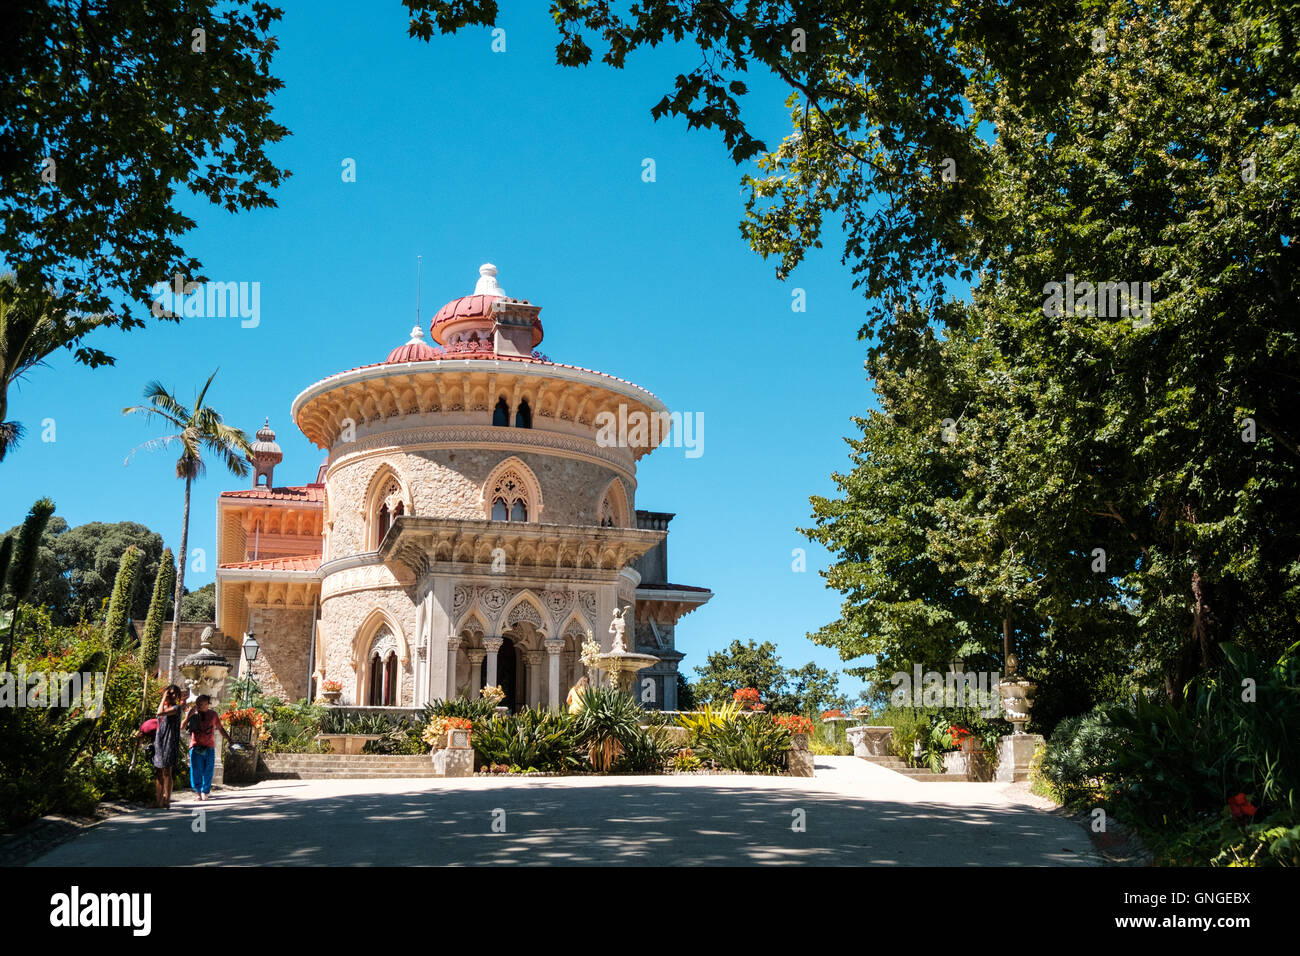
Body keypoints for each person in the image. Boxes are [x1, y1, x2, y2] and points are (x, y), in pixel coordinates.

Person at [182, 695, 231, 801]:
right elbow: (182, 726)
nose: (202, 706)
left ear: (208, 704)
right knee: (196, 771)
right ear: (197, 704)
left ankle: (205, 792)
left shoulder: (213, 715)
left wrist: (229, 739)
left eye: (204, 704)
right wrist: (188, 716)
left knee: (208, 770)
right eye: (200, 704)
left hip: (209, 746)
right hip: (195, 747)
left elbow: (220, 728)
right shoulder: (193, 715)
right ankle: (198, 793)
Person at [153, 685, 184, 808]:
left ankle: (167, 799)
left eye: (175, 694)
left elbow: (159, 713)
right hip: (159, 741)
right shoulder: (166, 706)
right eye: (170, 693)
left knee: (167, 771)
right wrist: (164, 698)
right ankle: (158, 800)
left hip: (169, 741)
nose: (173, 696)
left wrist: (163, 698)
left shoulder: (176, 708)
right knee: (158, 771)